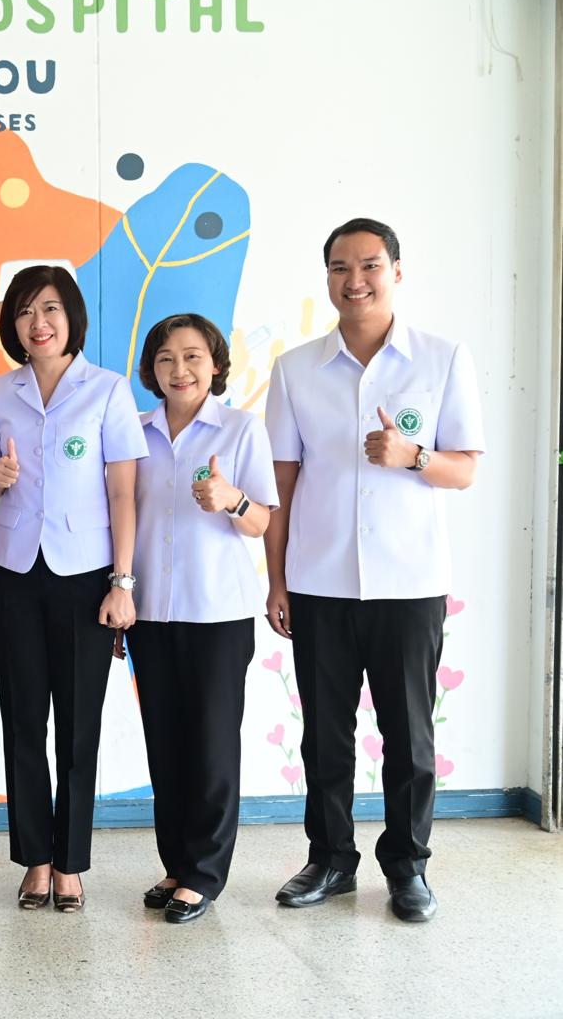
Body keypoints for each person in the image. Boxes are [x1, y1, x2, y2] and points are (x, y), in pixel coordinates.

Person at [265, 219, 483, 922]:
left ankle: (408, 868)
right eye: (339, 267)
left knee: (410, 737)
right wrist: (277, 581)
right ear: (326, 276)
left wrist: (413, 456)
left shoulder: (442, 359)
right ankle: (330, 858)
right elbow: (281, 484)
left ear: (396, 271)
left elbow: (465, 469)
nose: (354, 280)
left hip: (409, 582)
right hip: (320, 580)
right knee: (324, 734)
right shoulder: (296, 369)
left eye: (368, 265)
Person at [0, 264, 147, 913]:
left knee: (78, 724)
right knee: (22, 719)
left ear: (72, 316)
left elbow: (124, 492)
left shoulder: (106, 390)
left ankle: (71, 862)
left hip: (86, 576)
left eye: (49, 309)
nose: (37, 323)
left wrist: (122, 582)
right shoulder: (0, 391)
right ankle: (36, 860)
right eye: (24, 312)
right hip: (14, 570)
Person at [125, 313, 277, 924]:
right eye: (165, 358)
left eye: (192, 356)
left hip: (217, 613)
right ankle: (177, 864)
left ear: (215, 364)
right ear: (151, 370)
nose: (179, 369)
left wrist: (231, 499)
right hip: (150, 613)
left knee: (211, 745)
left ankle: (205, 874)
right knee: (165, 746)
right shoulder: (135, 431)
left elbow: (263, 520)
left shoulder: (241, 429)